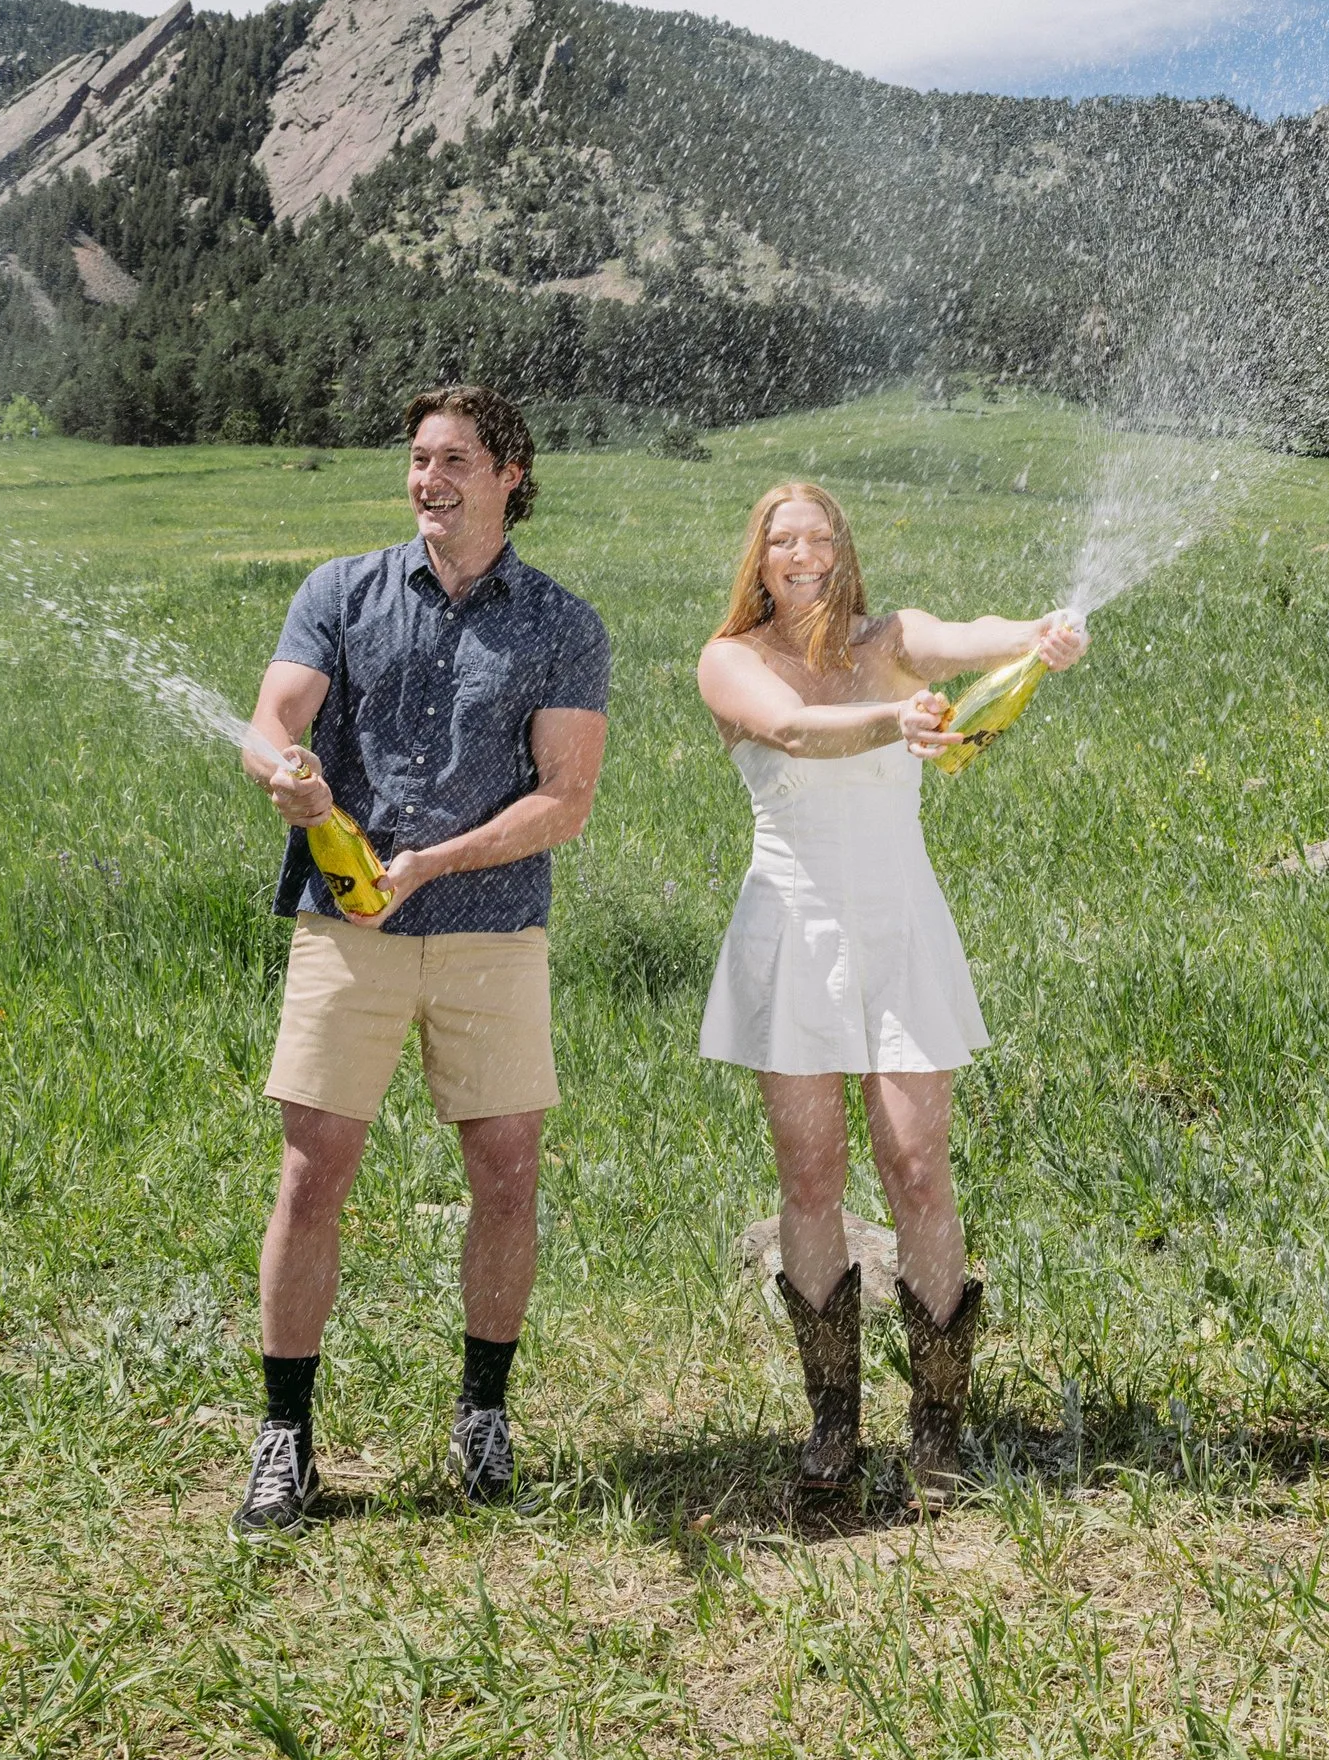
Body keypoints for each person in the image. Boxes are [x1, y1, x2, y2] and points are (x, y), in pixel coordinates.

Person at [231, 384, 610, 1532]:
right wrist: (282, 775)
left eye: (452, 460)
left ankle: (483, 1414)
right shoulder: (337, 592)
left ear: (509, 476)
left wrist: (437, 863)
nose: (426, 479)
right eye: (415, 459)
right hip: (347, 924)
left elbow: (565, 801)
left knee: (504, 1177)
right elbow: (271, 722)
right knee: (312, 1177)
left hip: (491, 930)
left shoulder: (561, 623)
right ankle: (284, 1436)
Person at [696, 481, 1084, 1501]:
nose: (805, 554)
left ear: (843, 548)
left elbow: (970, 635)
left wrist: (1042, 632)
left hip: (900, 925)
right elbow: (786, 730)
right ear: (759, 556)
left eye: (821, 537)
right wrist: (894, 721)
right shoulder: (731, 658)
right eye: (784, 539)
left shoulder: (895, 637)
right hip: (793, 929)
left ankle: (939, 1426)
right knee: (812, 1178)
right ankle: (833, 1424)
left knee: (917, 1167)